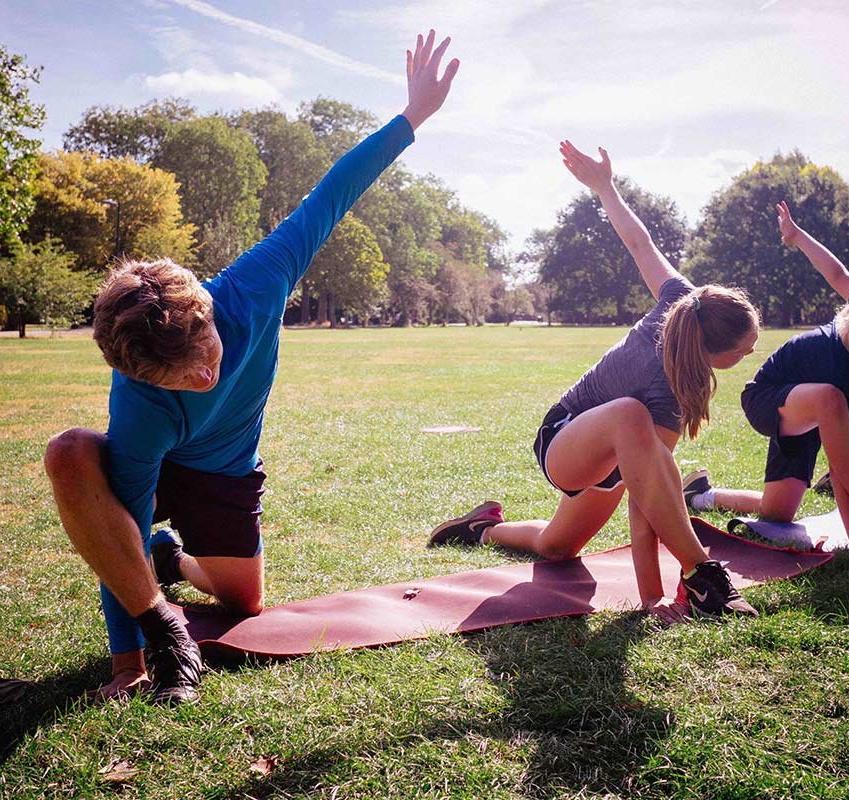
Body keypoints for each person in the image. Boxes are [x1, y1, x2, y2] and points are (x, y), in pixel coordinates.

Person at [44, 30, 460, 704]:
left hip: (224, 468)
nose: (203, 378)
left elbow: (331, 194)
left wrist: (412, 116)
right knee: (70, 454)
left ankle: (168, 558)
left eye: (204, 355)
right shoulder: (140, 400)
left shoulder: (255, 286)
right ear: (148, 376)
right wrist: (131, 663)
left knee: (245, 603)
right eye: (179, 378)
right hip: (152, 458)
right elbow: (118, 511)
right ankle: (152, 597)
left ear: (209, 311)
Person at [429, 140, 761, 624]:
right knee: (633, 420)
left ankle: (481, 528)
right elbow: (645, 500)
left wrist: (606, 188)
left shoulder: (686, 301)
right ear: (711, 350)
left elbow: (640, 243)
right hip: (566, 440)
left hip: (609, 453)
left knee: (557, 547)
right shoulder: (665, 378)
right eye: (743, 350)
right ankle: (703, 575)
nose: (750, 354)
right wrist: (651, 598)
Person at [682, 202, 849, 549]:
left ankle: (701, 496)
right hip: (768, 400)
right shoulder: (840, 375)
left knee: (777, 513)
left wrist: (797, 236)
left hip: (807, 403)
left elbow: (837, 273)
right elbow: (841, 466)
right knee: (829, 401)